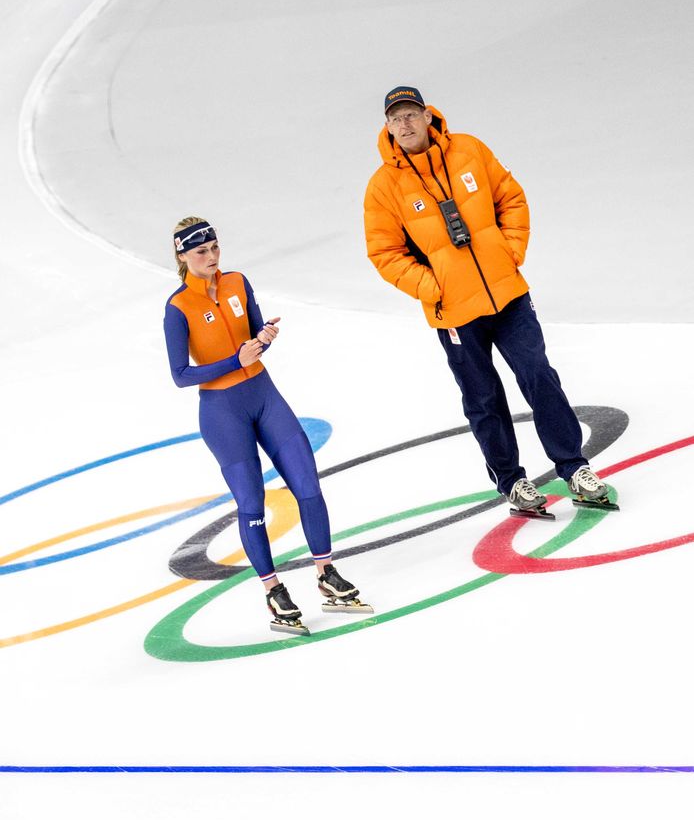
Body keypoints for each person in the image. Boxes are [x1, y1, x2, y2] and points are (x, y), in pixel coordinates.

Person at [364, 86, 616, 517]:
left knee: (539, 375)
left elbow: (510, 198)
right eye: (395, 118)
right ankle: (512, 481)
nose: (403, 124)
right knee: (482, 398)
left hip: (509, 295)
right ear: (387, 127)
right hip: (454, 313)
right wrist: (434, 286)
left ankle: (574, 468)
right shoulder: (384, 186)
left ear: (427, 116)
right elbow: (385, 254)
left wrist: (510, 251)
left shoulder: (469, 150)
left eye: (410, 114)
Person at [163, 217, 371, 633]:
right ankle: (273, 590)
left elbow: (254, 329)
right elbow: (181, 375)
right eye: (201, 252)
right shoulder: (178, 308)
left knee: (308, 483)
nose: (211, 257)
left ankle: (326, 574)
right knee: (253, 504)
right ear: (183, 257)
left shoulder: (238, 282)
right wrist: (232, 362)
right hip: (223, 412)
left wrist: (265, 335)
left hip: (264, 396)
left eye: (215, 247)